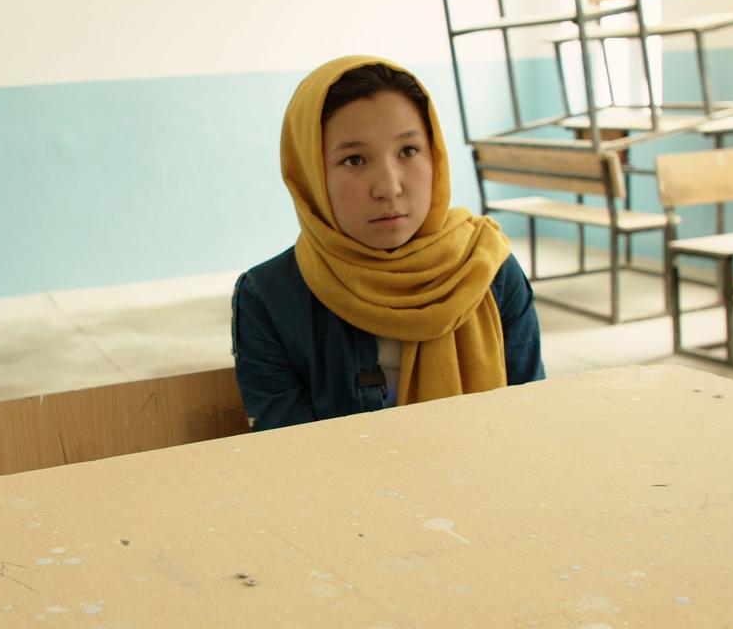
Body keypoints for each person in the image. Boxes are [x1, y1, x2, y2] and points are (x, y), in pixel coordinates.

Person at [231, 55, 544, 431]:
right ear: (310, 175)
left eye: (408, 151)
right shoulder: (269, 298)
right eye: (354, 160)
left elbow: (530, 416)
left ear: (435, 155)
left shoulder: (487, 266)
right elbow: (289, 452)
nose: (389, 187)